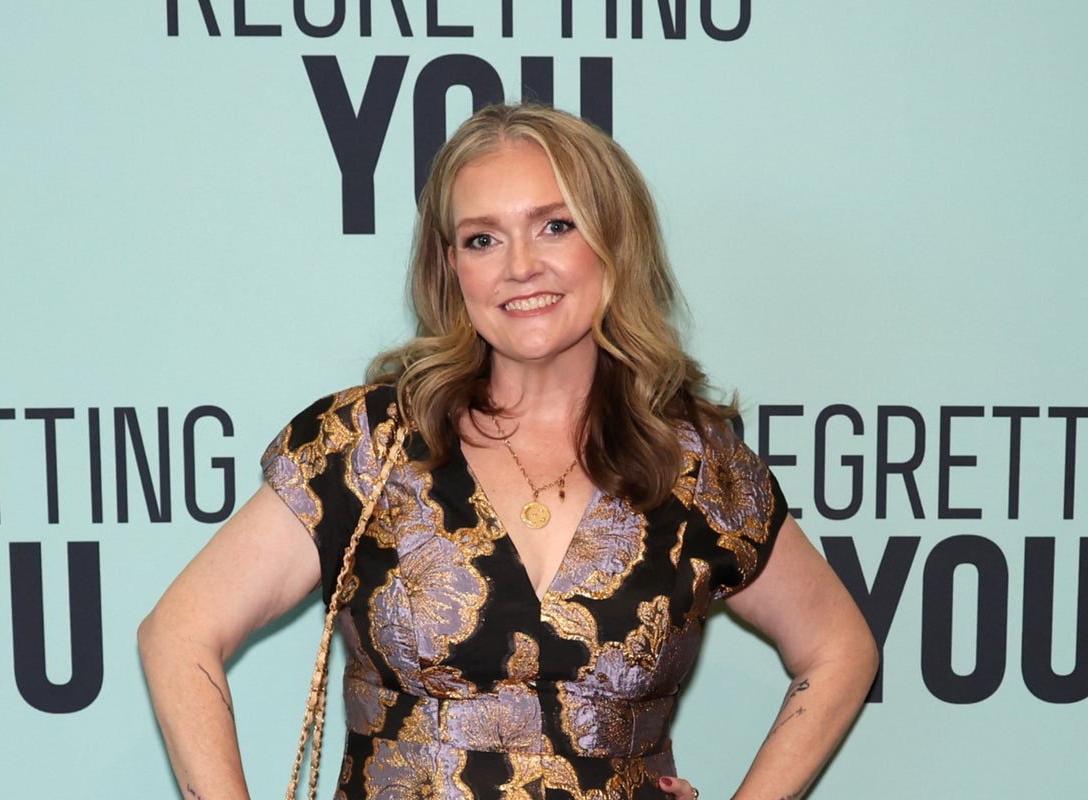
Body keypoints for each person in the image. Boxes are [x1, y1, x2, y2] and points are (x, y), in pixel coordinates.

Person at [139, 103, 879, 800]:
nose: (520, 266)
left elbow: (839, 648)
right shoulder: (367, 444)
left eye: (555, 226)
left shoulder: (693, 462)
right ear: (451, 267)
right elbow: (179, 634)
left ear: (614, 241)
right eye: (483, 239)